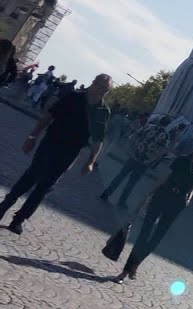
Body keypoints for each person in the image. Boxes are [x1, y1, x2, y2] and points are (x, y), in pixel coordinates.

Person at [0, 73, 111, 233]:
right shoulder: (73, 97)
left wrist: (91, 161)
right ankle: (4, 206)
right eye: (100, 87)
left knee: (45, 186)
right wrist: (32, 137)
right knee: (31, 176)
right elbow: (48, 116)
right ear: (93, 83)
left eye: (105, 90)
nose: (101, 92)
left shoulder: (103, 111)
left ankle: (19, 219)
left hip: (70, 152)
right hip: (51, 143)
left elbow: (98, 139)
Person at [111, 136, 193, 282]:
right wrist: (147, 196)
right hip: (162, 195)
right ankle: (125, 271)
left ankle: (135, 264)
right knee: (144, 233)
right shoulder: (182, 160)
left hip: (177, 203)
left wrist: (189, 197)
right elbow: (165, 178)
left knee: (156, 237)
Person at [98, 116, 172, 210]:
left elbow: (133, 136)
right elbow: (161, 151)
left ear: (160, 121)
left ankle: (107, 193)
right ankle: (122, 201)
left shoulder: (148, 127)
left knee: (121, 175)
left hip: (135, 155)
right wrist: (152, 159)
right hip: (145, 161)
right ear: (167, 125)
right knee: (132, 182)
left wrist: (131, 150)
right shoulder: (165, 136)